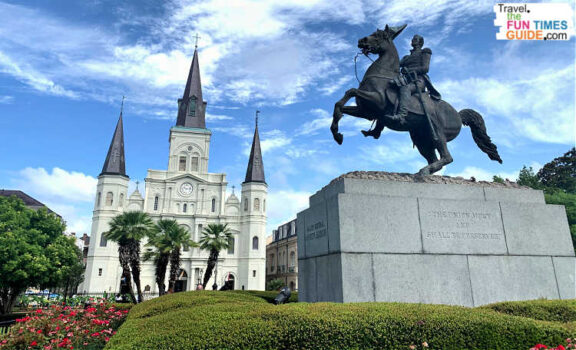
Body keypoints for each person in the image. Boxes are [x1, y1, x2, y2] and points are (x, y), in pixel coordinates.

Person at [362, 35, 441, 138]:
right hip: (405, 80)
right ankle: (377, 130)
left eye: (415, 39)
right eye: (412, 39)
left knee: (405, 88)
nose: (413, 40)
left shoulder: (425, 51)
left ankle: (402, 115)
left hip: (418, 81)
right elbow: (394, 65)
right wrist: (370, 51)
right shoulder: (406, 58)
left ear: (420, 42)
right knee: (386, 94)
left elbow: (425, 68)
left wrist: (411, 70)